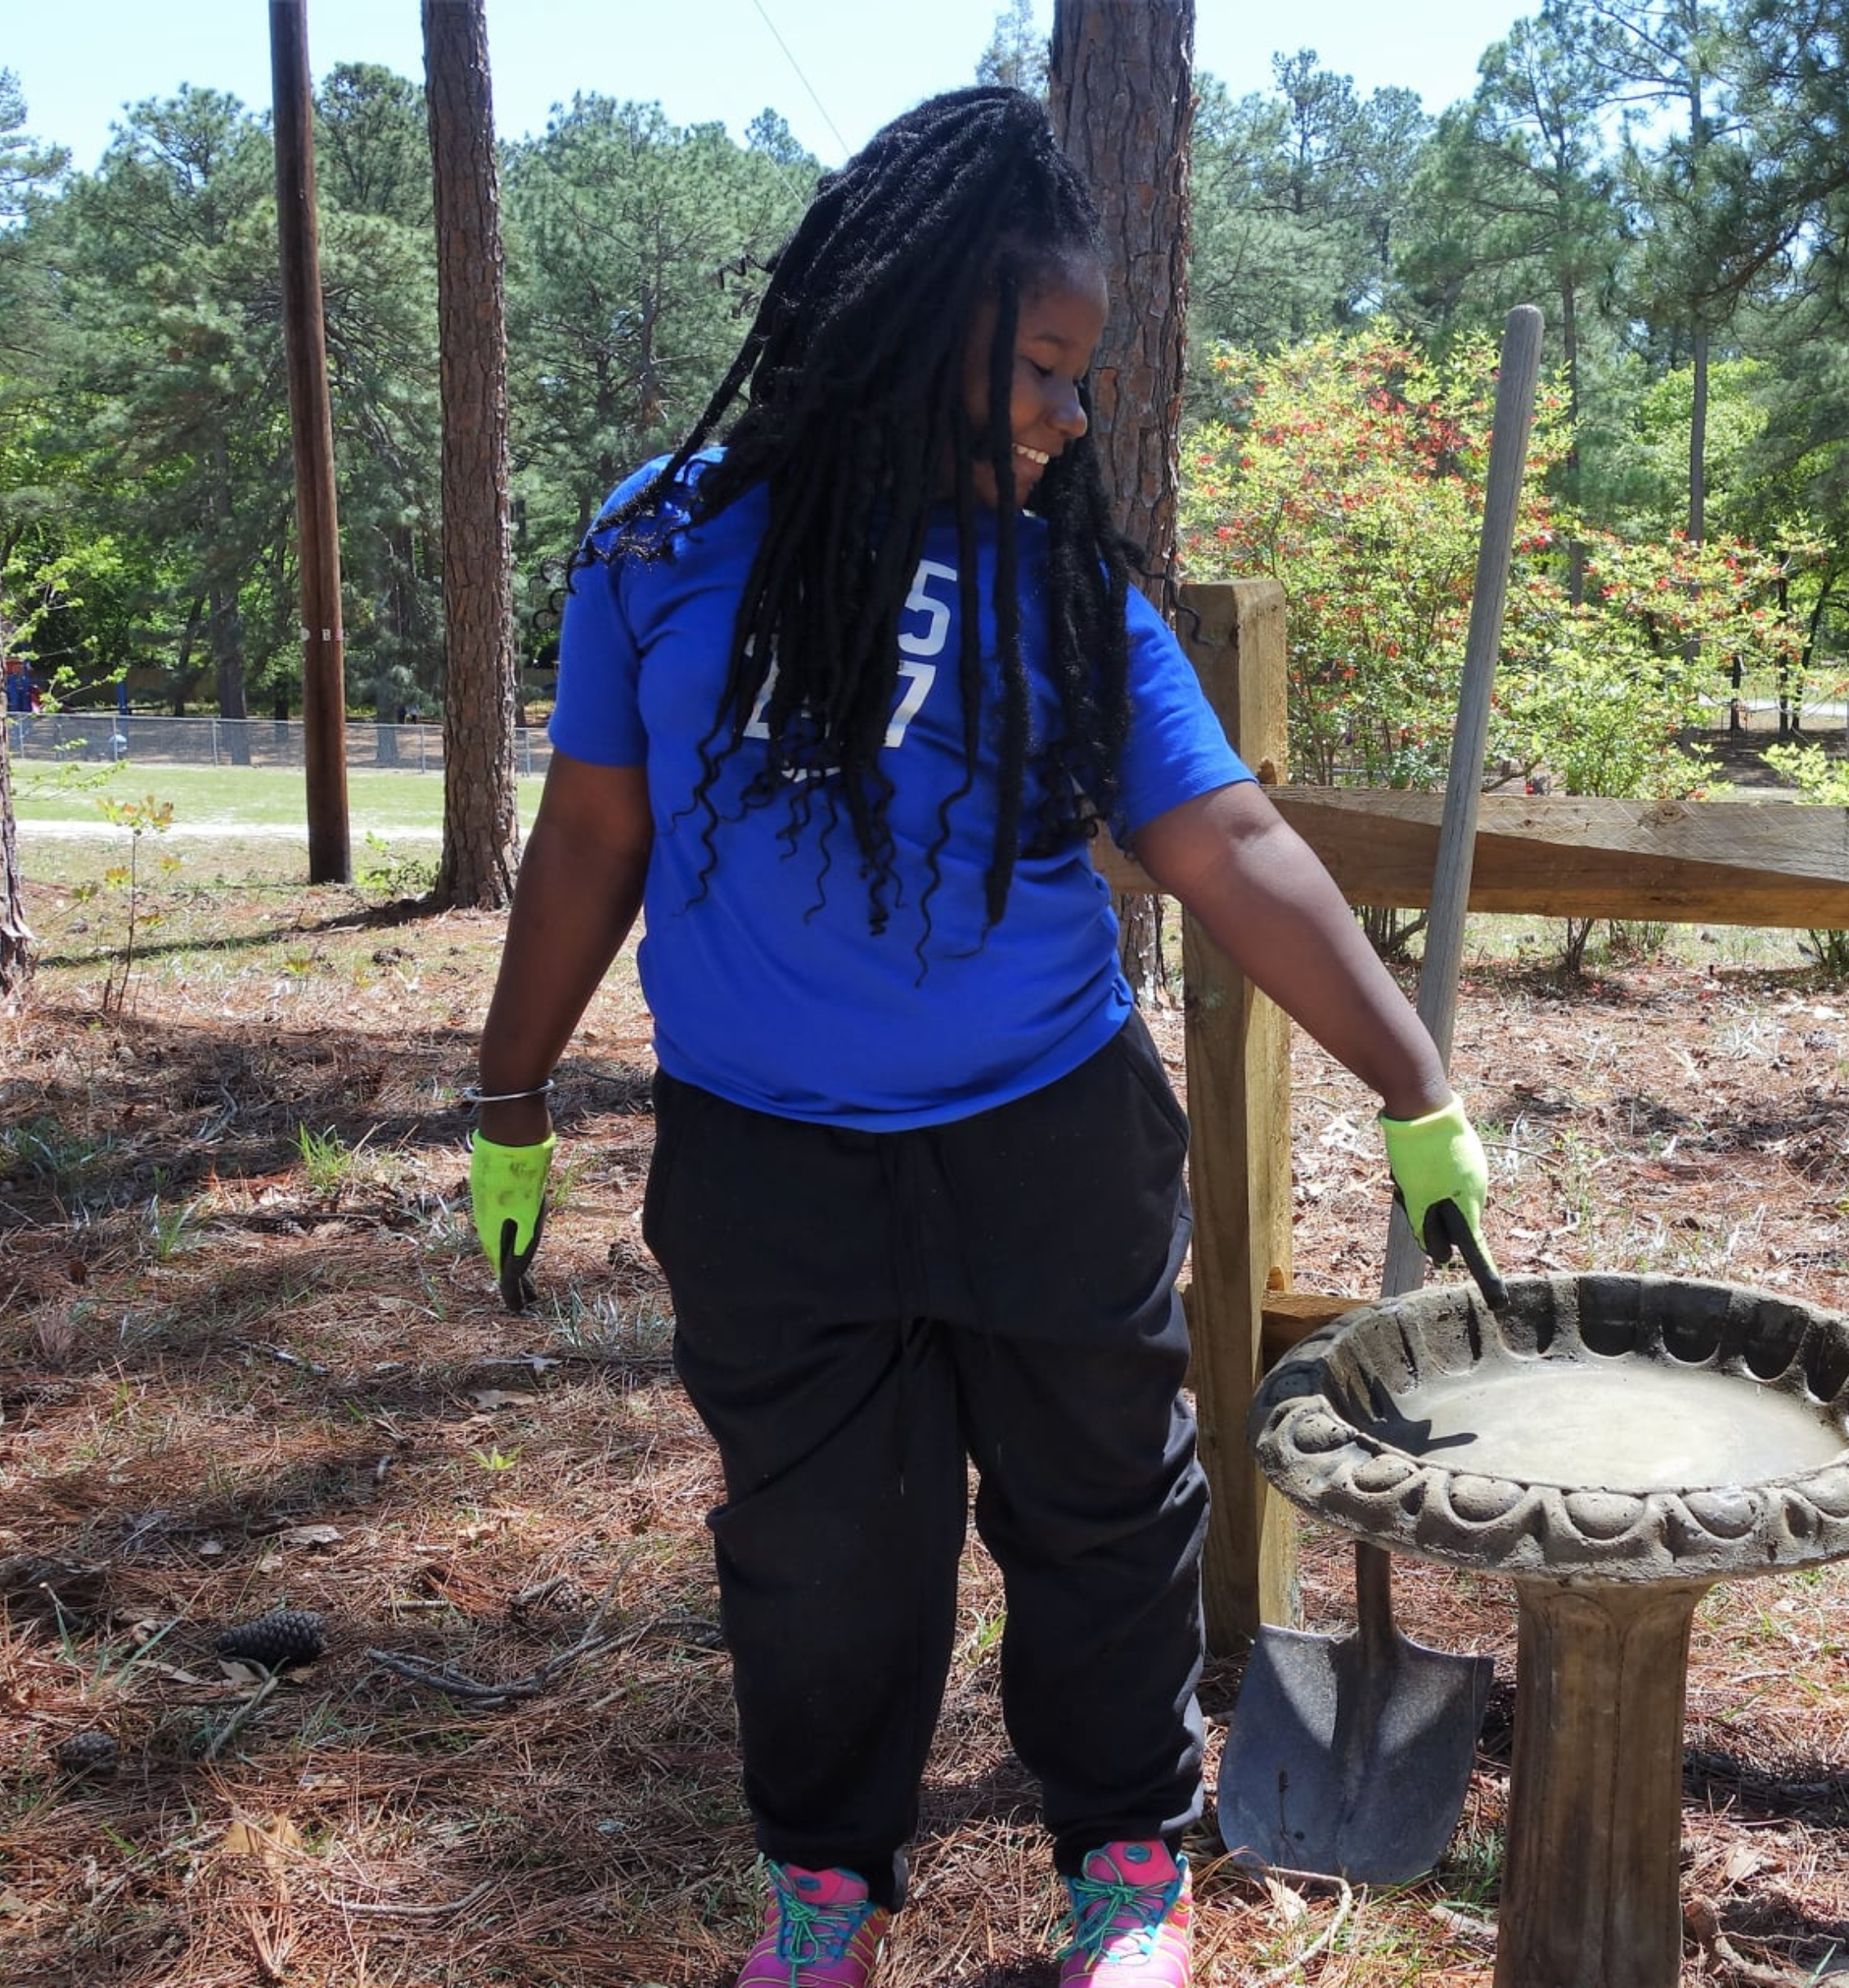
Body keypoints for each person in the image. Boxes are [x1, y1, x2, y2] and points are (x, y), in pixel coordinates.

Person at [468, 87, 1498, 1988]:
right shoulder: (660, 544)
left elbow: (1231, 841)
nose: (1072, 414)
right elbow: (594, 832)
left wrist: (1413, 1081)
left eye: (1083, 375)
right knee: (818, 1557)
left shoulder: (1066, 586)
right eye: (1041, 366)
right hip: (768, 1163)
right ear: (910, 319)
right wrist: (511, 1089)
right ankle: (828, 1893)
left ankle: (1126, 1871)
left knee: (1104, 1516)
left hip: (1047, 1142)